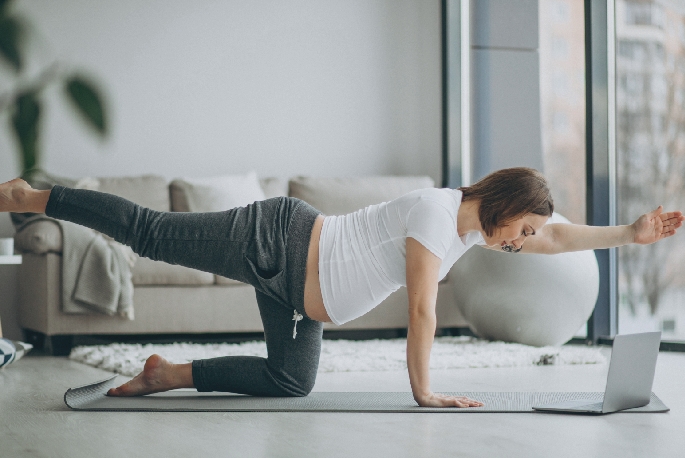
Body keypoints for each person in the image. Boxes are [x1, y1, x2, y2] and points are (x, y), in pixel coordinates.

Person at [1, 167, 682, 408]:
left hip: (296, 288)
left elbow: (561, 238)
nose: (527, 242)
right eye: (524, 230)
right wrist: (423, 389)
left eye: (529, 235)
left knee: (291, 380)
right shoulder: (436, 216)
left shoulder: (475, 230)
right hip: (276, 241)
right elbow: (419, 307)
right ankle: (36, 195)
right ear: (505, 207)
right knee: (151, 232)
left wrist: (629, 233)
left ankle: (166, 373)